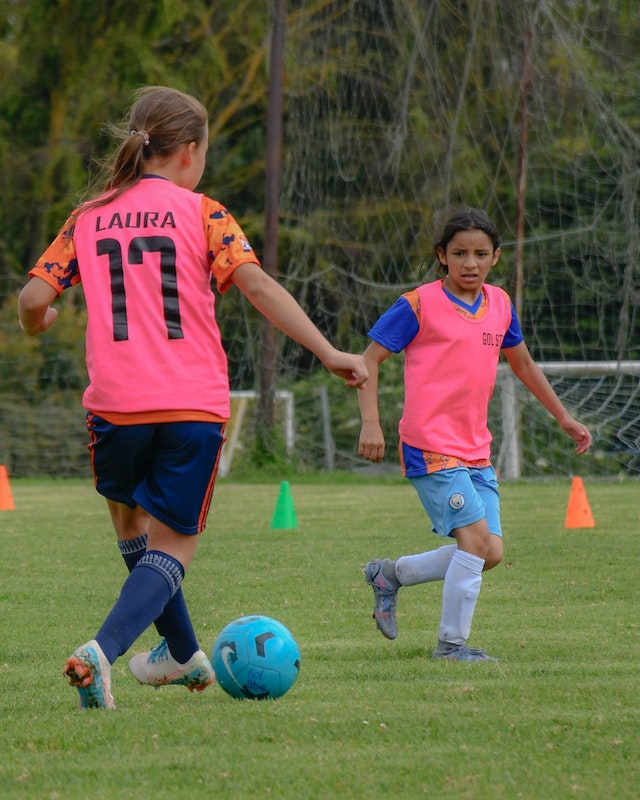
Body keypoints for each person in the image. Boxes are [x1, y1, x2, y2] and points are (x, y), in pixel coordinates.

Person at [18, 86, 368, 709]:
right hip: (191, 406)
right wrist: (328, 351)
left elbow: (32, 302)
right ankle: (102, 651)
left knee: (132, 524)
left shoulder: (87, 216)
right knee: (174, 542)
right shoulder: (203, 212)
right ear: (187, 152)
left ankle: (180, 655)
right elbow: (257, 287)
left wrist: (38, 326)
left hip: (114, 408)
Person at [358, 206, 591, 662]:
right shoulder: (418, 304)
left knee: (491, 552)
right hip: (429, 445)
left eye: (480, 254)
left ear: (495, 258)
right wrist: (371, 421)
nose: (470, 263)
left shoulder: (500, 304)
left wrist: (563, 416)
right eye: (459, 253)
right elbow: (367, 360)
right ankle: (451, 645)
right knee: (474, 543)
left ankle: (391, 575)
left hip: (475, 449)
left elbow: (522, 364)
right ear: (442, 256)